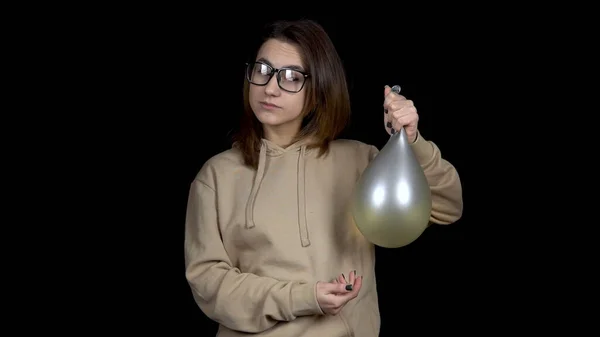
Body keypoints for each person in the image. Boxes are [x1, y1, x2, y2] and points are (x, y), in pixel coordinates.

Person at [184, 19, 463, 337]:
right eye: (262, 70)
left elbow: (446, 206)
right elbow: (208, 284)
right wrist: (303, 297)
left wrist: (411, 142)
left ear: (318, 90)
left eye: (291, 77)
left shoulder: (359, 161)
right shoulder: (216, 176)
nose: (270, 88)